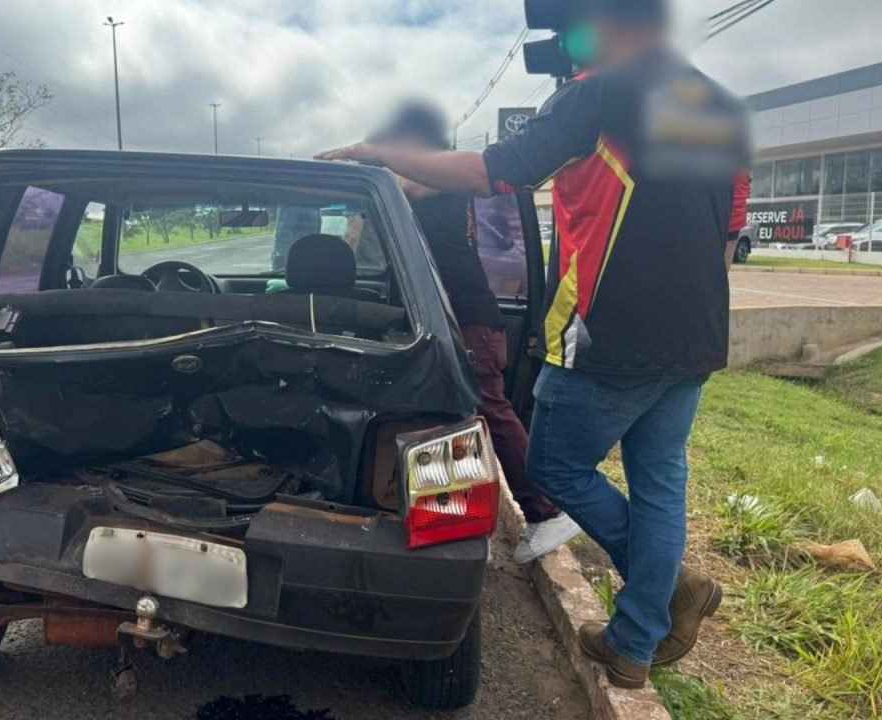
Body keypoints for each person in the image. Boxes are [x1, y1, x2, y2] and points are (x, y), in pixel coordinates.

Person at [317, 0, 747, 689]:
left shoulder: (600, 93)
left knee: (551, 464)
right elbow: (731, 229)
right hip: (696, 334)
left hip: (610, 331)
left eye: (574, 36)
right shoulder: (715, 107)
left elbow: (496, 170)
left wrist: (377, 153)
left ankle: (666, 596)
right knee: (661, 480)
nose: (569, 53)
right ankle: (636, 640)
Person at [370, 102, 581, 565]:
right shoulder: (430, 180)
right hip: (452, 319)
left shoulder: (437, 177)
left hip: (470, 320)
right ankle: (448, 515)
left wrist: (372, 156)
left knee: (491, 414)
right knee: (453, 421)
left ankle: (546, 512)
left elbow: (406, 184)